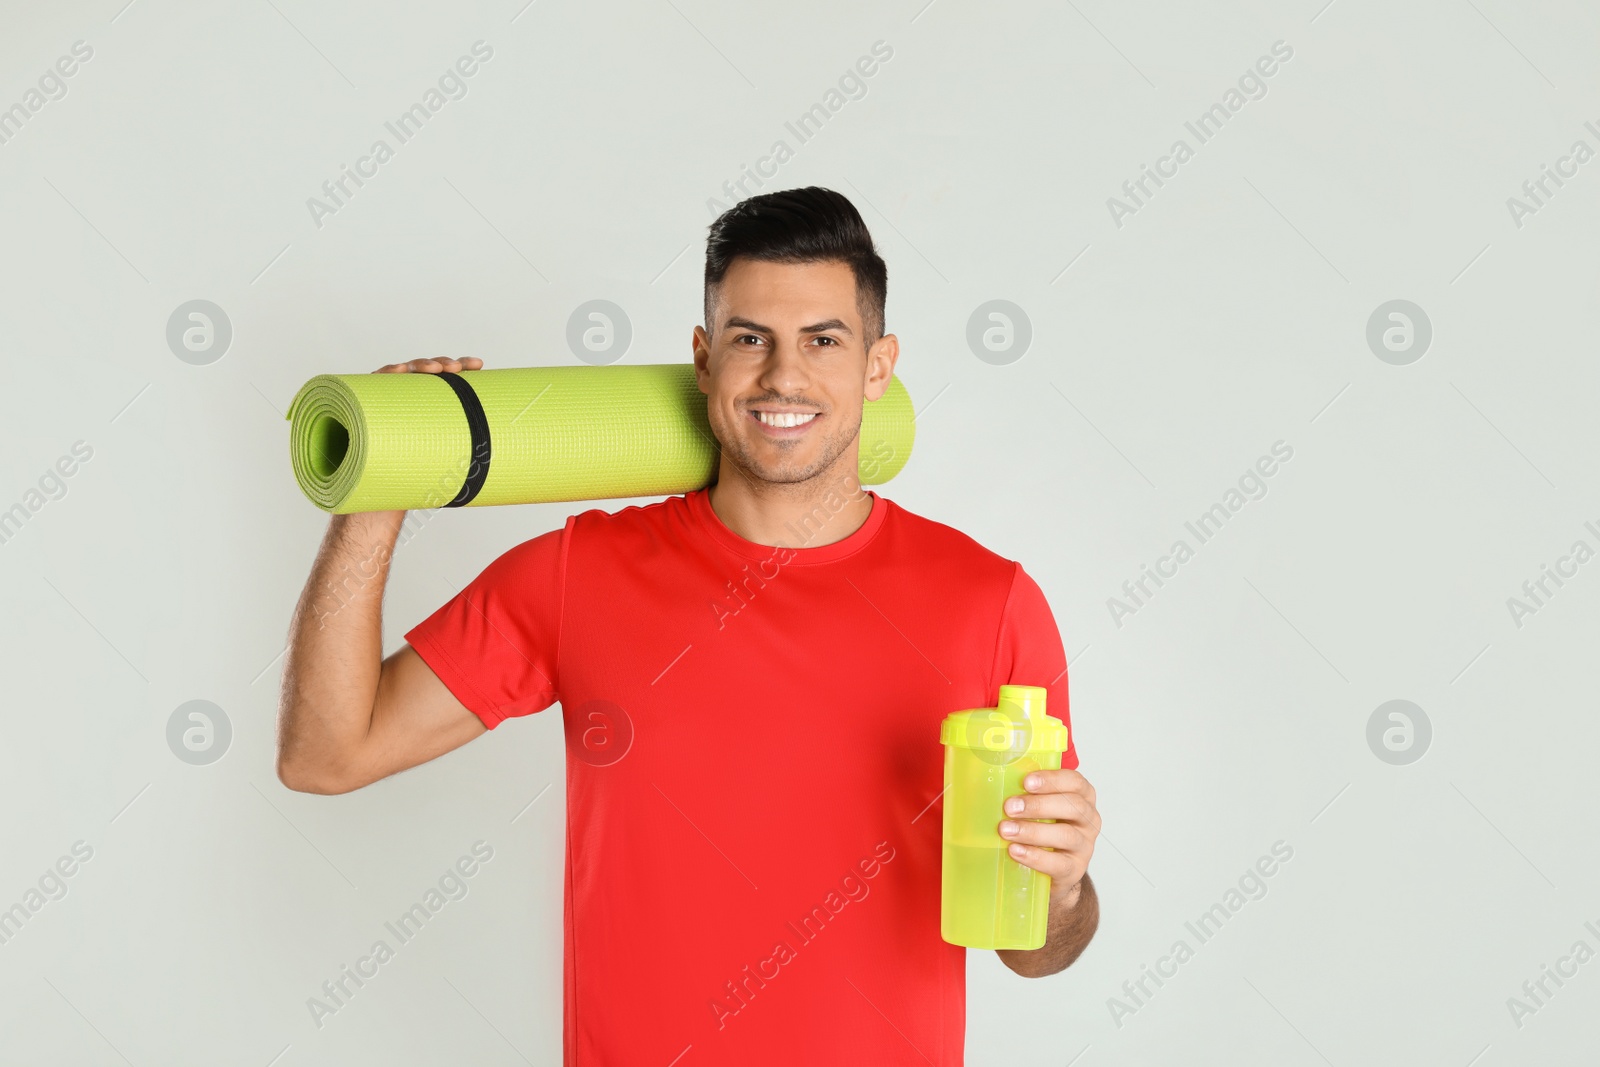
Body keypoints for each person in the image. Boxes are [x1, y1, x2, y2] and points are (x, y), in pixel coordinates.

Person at [275, 185, 1101, 1065]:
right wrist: (371, 507)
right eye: (752, 338)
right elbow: (326, 754)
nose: (785, 376)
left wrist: (1063, 887)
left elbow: (1037, 951)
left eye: (824, 339)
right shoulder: (578, 575)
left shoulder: (989, 601)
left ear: (878, 365)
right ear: (704, 360)